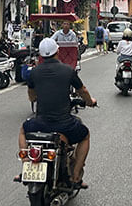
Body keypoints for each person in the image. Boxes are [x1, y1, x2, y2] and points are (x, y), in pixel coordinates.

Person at [19, 38, 97, 188]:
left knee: (23, 130)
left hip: (40, 124)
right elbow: (83, 91)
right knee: (85, 135)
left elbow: (32, 96)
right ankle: (75, 176)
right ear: (58, 52)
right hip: (64, 124)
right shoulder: (68, 70)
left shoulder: (34, 73)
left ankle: (25, 165)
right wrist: (89, 101)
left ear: (41, 55)